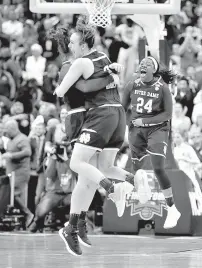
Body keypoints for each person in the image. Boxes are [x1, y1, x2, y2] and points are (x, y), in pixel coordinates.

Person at [53, 19, 144, 256]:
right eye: (70, 42)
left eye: (74, 42)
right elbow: (88, 86)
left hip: (94, 116)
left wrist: (106, 75)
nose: (72, 46)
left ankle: (112, 191)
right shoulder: (102, 57)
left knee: (81, 169)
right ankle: (134, 182)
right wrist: (109, 73)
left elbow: (67, 90)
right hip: (115, 114)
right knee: (96, 172)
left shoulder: (79, 64)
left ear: (82, 44)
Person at [121, 56, 181, 229]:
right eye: (141, 64)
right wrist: (125, 124)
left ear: (153, 71)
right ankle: (141, 189)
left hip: (157, 129)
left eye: (147, 64)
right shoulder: (132, 84)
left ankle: (172, 208)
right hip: (136, 130)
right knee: (137, 169)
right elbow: (121, 108)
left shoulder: (162, 88)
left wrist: (145, 122)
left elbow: (167, 115)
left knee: (158, 167)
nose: (142, 65)